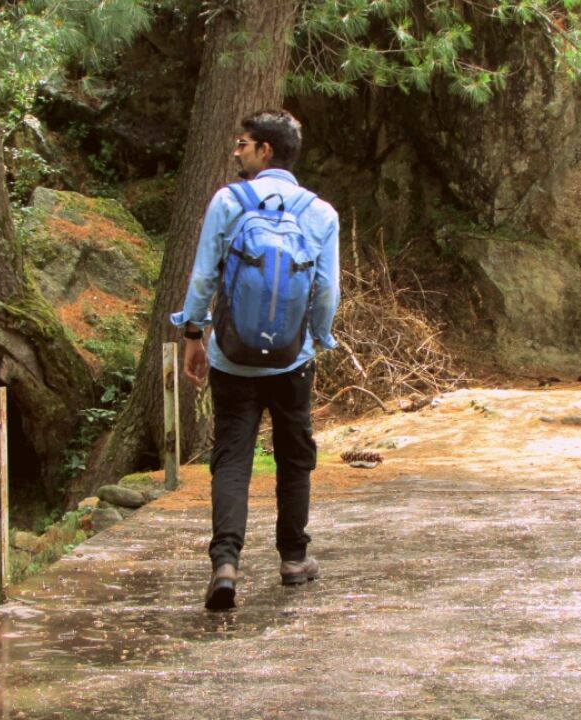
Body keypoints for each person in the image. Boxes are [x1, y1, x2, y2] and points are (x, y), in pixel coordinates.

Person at [170, 109, 340, 611]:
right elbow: (327, 288)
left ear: (266, 150)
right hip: (293, 360)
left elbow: (204, 278)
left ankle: (225, 564)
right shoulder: (320, 213)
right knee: (294, 458)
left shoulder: (228, 202)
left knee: (232, 457)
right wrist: (317, 338)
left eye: (242, 143)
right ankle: (293, 559)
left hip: (232, 358)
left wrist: (194, 335)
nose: (236, 151)